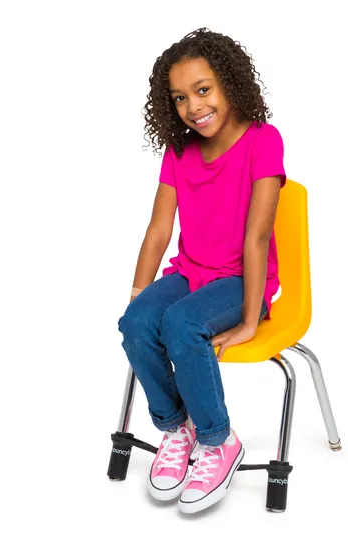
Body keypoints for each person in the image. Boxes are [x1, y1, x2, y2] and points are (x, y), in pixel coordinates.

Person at [117, 27, 286, 514]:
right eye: (180, 97)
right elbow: (158, 230)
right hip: (192, 273)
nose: (193, 106)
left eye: (203, 89)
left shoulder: (263, 140)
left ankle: (218, 441)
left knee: (181, 323)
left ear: (230, 82)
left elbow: (257, 236)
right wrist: (140, 296)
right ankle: (177, 428)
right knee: (136, 323)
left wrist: (251, 319)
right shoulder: (179, 151)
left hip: (241, 280)